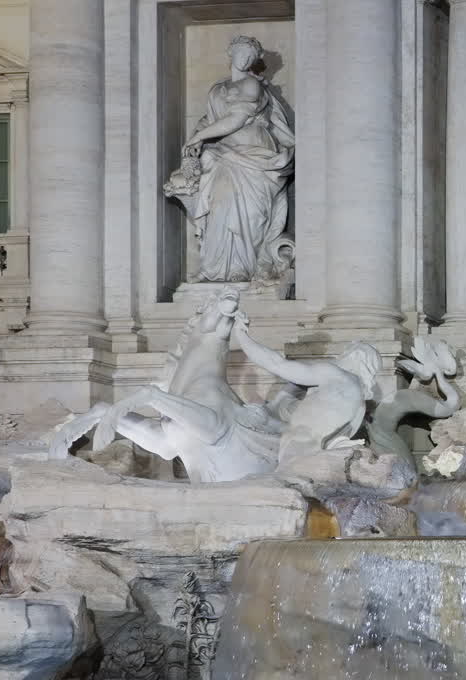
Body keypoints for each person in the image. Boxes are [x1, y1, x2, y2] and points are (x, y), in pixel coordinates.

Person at [167, 35, 295, 283]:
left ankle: (242, 268)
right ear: (231, 52)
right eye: (242, 52)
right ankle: (214, 268)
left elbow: (236, 119)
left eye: (251, 56)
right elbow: (210, 121)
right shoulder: (218, 89)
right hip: (223, 156)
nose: (246, 59)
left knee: (249, 214)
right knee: (220, 205)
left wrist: (198, 138)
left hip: (255, 156)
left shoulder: (251, 86)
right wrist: (197, 140)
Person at [232, 315, 381, 462]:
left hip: (296, 452)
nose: (339, 358)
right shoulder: (360, 405)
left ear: (355, 356)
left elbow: (276, 364)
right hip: (314, 454)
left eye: (346, 353)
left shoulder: (335, 374)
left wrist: (241, 335)